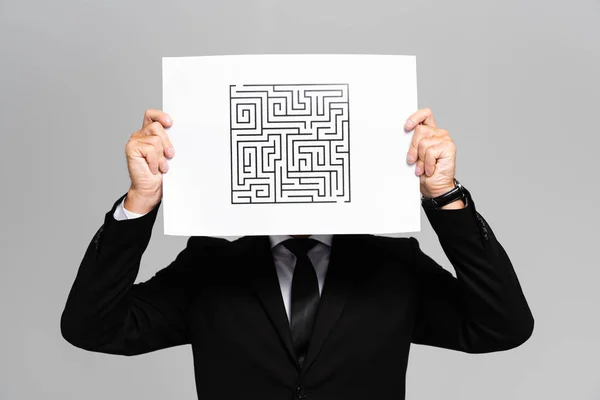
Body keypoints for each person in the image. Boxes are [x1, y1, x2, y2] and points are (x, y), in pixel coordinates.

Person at [61, 108, 534, 400]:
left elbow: (503, 326)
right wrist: (139, 202)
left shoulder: (392, 265)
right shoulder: (209, 265)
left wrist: (444, 195)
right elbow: (92, 327)